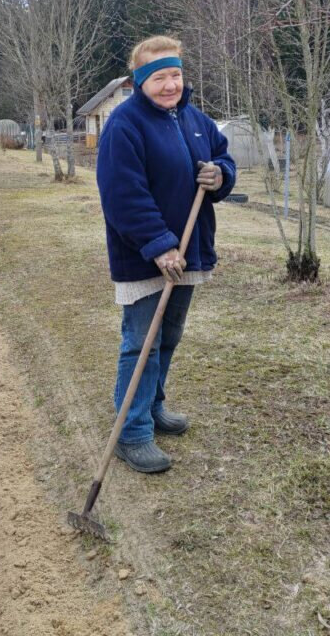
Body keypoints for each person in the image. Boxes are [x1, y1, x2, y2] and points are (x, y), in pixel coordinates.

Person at [96, 35, 237, 473]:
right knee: (141, 342)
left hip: (188, 252)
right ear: (140, 82)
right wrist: (159, 245)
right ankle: (132, 432)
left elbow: (222, 158)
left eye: (175, 74)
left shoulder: (195, 120)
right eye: (159, 77)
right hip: (145, 256)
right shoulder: (125, 124)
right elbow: (123, 196)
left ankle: (153, 408)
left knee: (168, 336)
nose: (170, 84)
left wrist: (221, 175)